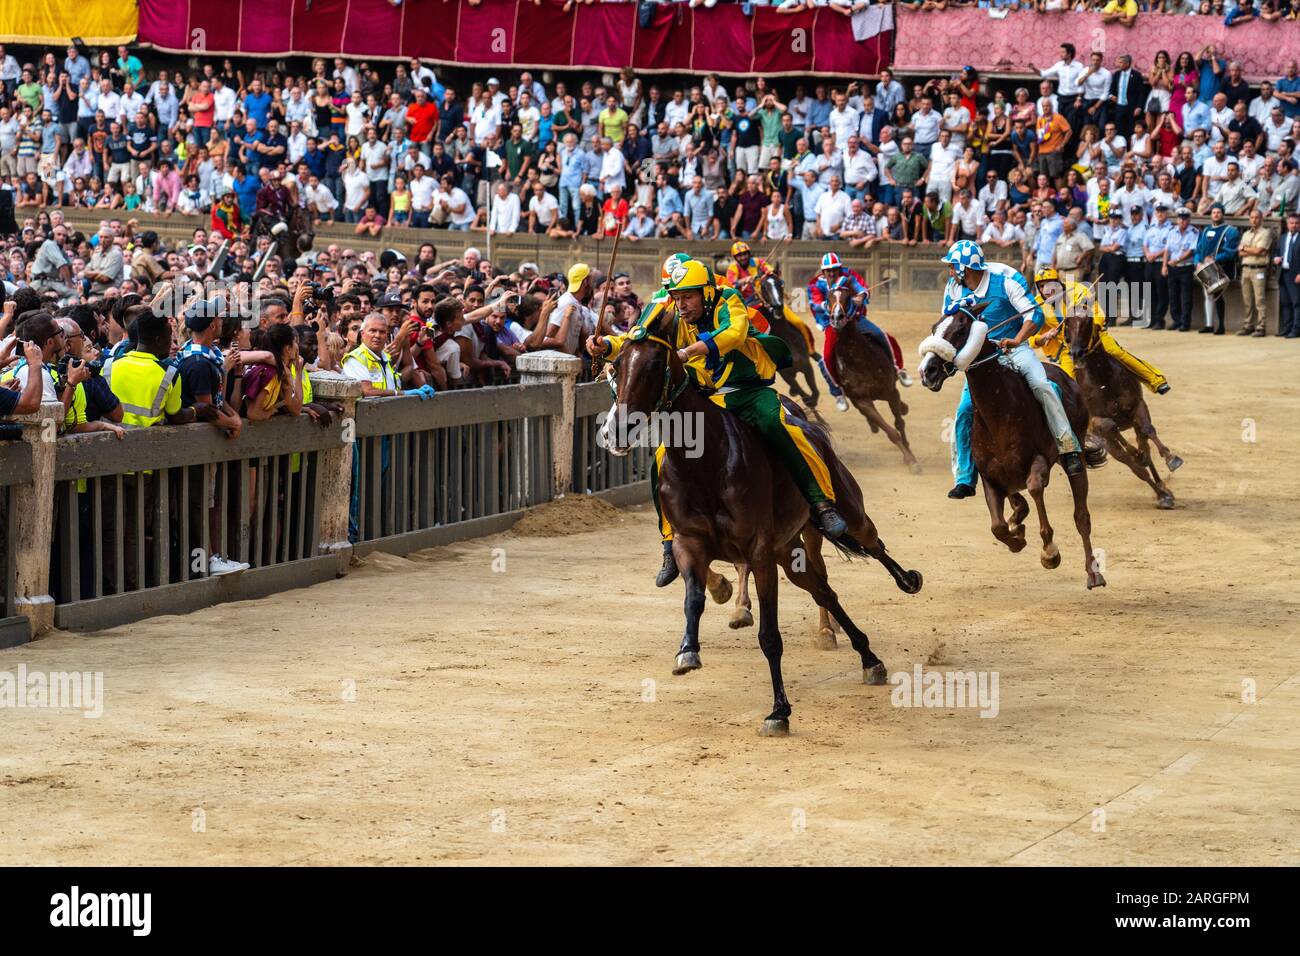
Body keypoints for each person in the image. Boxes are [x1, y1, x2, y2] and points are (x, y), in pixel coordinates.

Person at [587, 257, 849, 585]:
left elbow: (735, 334)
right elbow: (637, 342)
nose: (680, 303)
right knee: (662, 454)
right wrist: (607, 345)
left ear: (706, 292)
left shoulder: (729, 299)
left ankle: (821, 503)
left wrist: (687, 352)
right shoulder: (666, 307)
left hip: (748, 389)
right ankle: (669, 543)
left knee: (779, 426)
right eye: (675, 295)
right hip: (706, 394)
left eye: (687, 296)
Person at [939, 240, 1084, 500]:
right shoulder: (953, 289)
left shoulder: (1005, 281)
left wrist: (1017, 338)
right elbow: (948, 324)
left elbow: (1035, 316)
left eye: (952, 266)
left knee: (1042, 386)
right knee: (963, 412)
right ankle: (965, 478)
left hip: (1014, 350)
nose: (950, 271)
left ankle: (1068, 447)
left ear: (964, 268)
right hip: (980, 361)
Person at [1031, 268, 1169, 395]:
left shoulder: (1077, 290)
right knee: (1066, 380)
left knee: (1117, 353)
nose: (1046, 290)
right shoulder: (1037, 305)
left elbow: (1097, 314)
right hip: (1068, 347)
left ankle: (1155, 380)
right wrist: (1044, 337)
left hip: (1093, 337)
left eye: (1049, 284)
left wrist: (1090, 326)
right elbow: (1032, 337)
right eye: (1041, 286)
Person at [806, 252, 911, 414]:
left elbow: (862, 288)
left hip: (855, 320)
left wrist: (861, 296)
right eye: (829, 270)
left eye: (835, 269)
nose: (832, 273)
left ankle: (899, 369)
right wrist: (828, 306)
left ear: (839, 268)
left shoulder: (848, 277)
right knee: (826, 358)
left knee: (882, 335)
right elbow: (815, 303)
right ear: (823, 271)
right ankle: (837, 392)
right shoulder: (815, 285)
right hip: (832, 325)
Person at [723, 240, 814, 351]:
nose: (743, 257)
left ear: (749, 253)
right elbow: (730, 284)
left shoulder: (757, 262)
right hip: (746, 304)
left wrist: (768, 273)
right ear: (735, 257)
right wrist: (745, 280)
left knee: (797, 322)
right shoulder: (733, 268)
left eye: (745, 254)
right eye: (739, 255)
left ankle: (811, 350)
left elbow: (770, 271)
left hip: (767, 300)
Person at [1194, 203, 1240, 335]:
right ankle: (1209, 324)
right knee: (1207, 295)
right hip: (1205, 267)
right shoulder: (1205, 231)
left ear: (1223, 214)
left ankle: (1221, 326)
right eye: (1213, 212)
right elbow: (1198, 249)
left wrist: (1215, 258)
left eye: (1218, 212)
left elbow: (1231, 252)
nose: (1216, 215)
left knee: (1217, 294)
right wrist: (1197, 262)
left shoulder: (1230, 231)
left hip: (1221, 267)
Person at [1275, 212, 1300, 338]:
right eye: (1291, 223)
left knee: (1297, 303)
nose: (1294, 225)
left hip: (1295, 275)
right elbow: (1277, 252)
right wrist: (1276, 259)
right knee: (1285, 303)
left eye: (1296, 223)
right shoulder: (1283, 237)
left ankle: (1296, 330)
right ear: (1287, 224)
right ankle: (1287, 328)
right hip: (1283, 273)